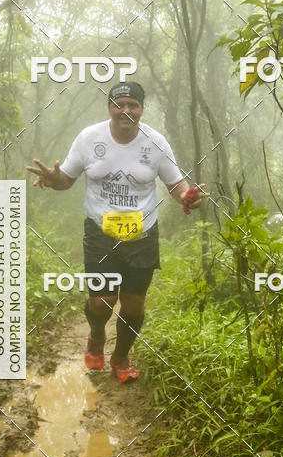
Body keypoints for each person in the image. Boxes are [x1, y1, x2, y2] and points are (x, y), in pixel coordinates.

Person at [26, 81, 207, 382]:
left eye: (133, 105)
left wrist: (188, 197)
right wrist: (53, 178)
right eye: (119, 104)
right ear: (109, 108)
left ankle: (121, 357)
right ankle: (97, 336)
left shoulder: (156, 142)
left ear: (141, 109)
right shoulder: (88, 138)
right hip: (100, 233)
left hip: (142, 235)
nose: (126, 110)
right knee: (102, 301)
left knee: (134, 304)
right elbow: (66, 180)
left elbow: (176, 184)